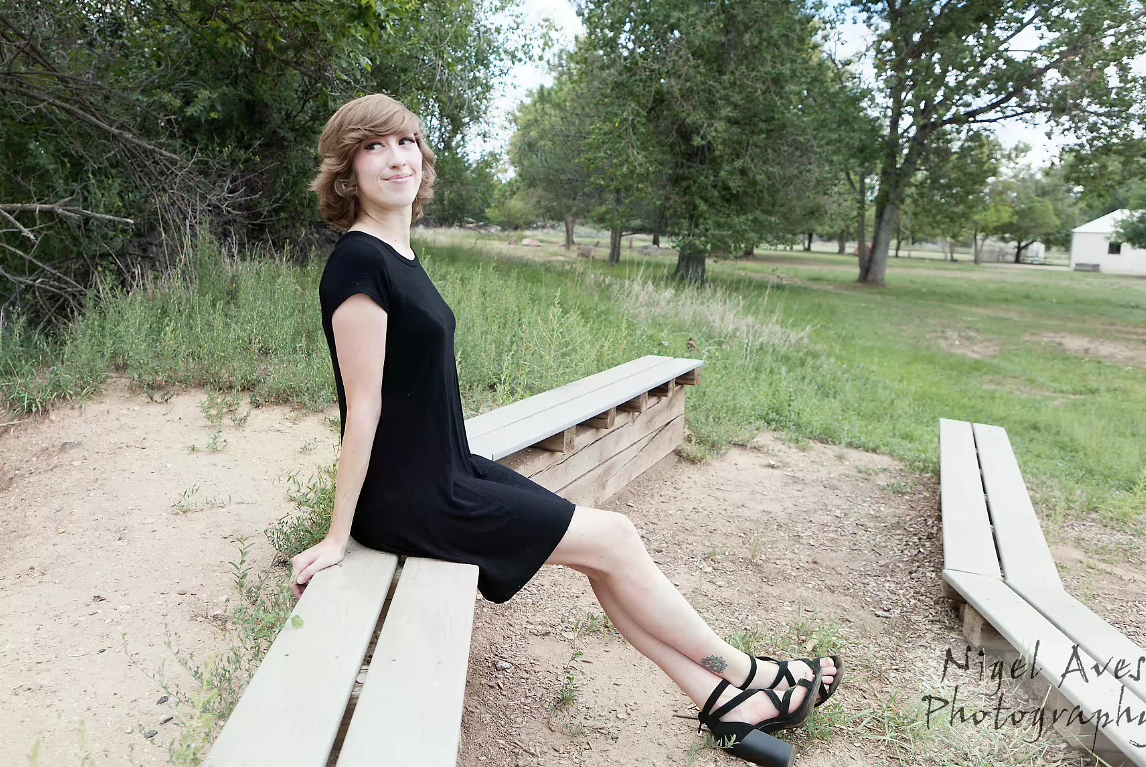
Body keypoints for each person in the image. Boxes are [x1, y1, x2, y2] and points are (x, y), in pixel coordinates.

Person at [293, 93, 843, 766]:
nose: (395, 157)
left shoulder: (396, 253)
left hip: (448, 470)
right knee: (614, 538)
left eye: (405, 141)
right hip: (413, 499)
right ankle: (747, 673)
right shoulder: (358, 263)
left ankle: (722, 701)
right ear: (347, 172)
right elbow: (363, 407)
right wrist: (338, 535)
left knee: (606, 549)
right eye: (372, 147)